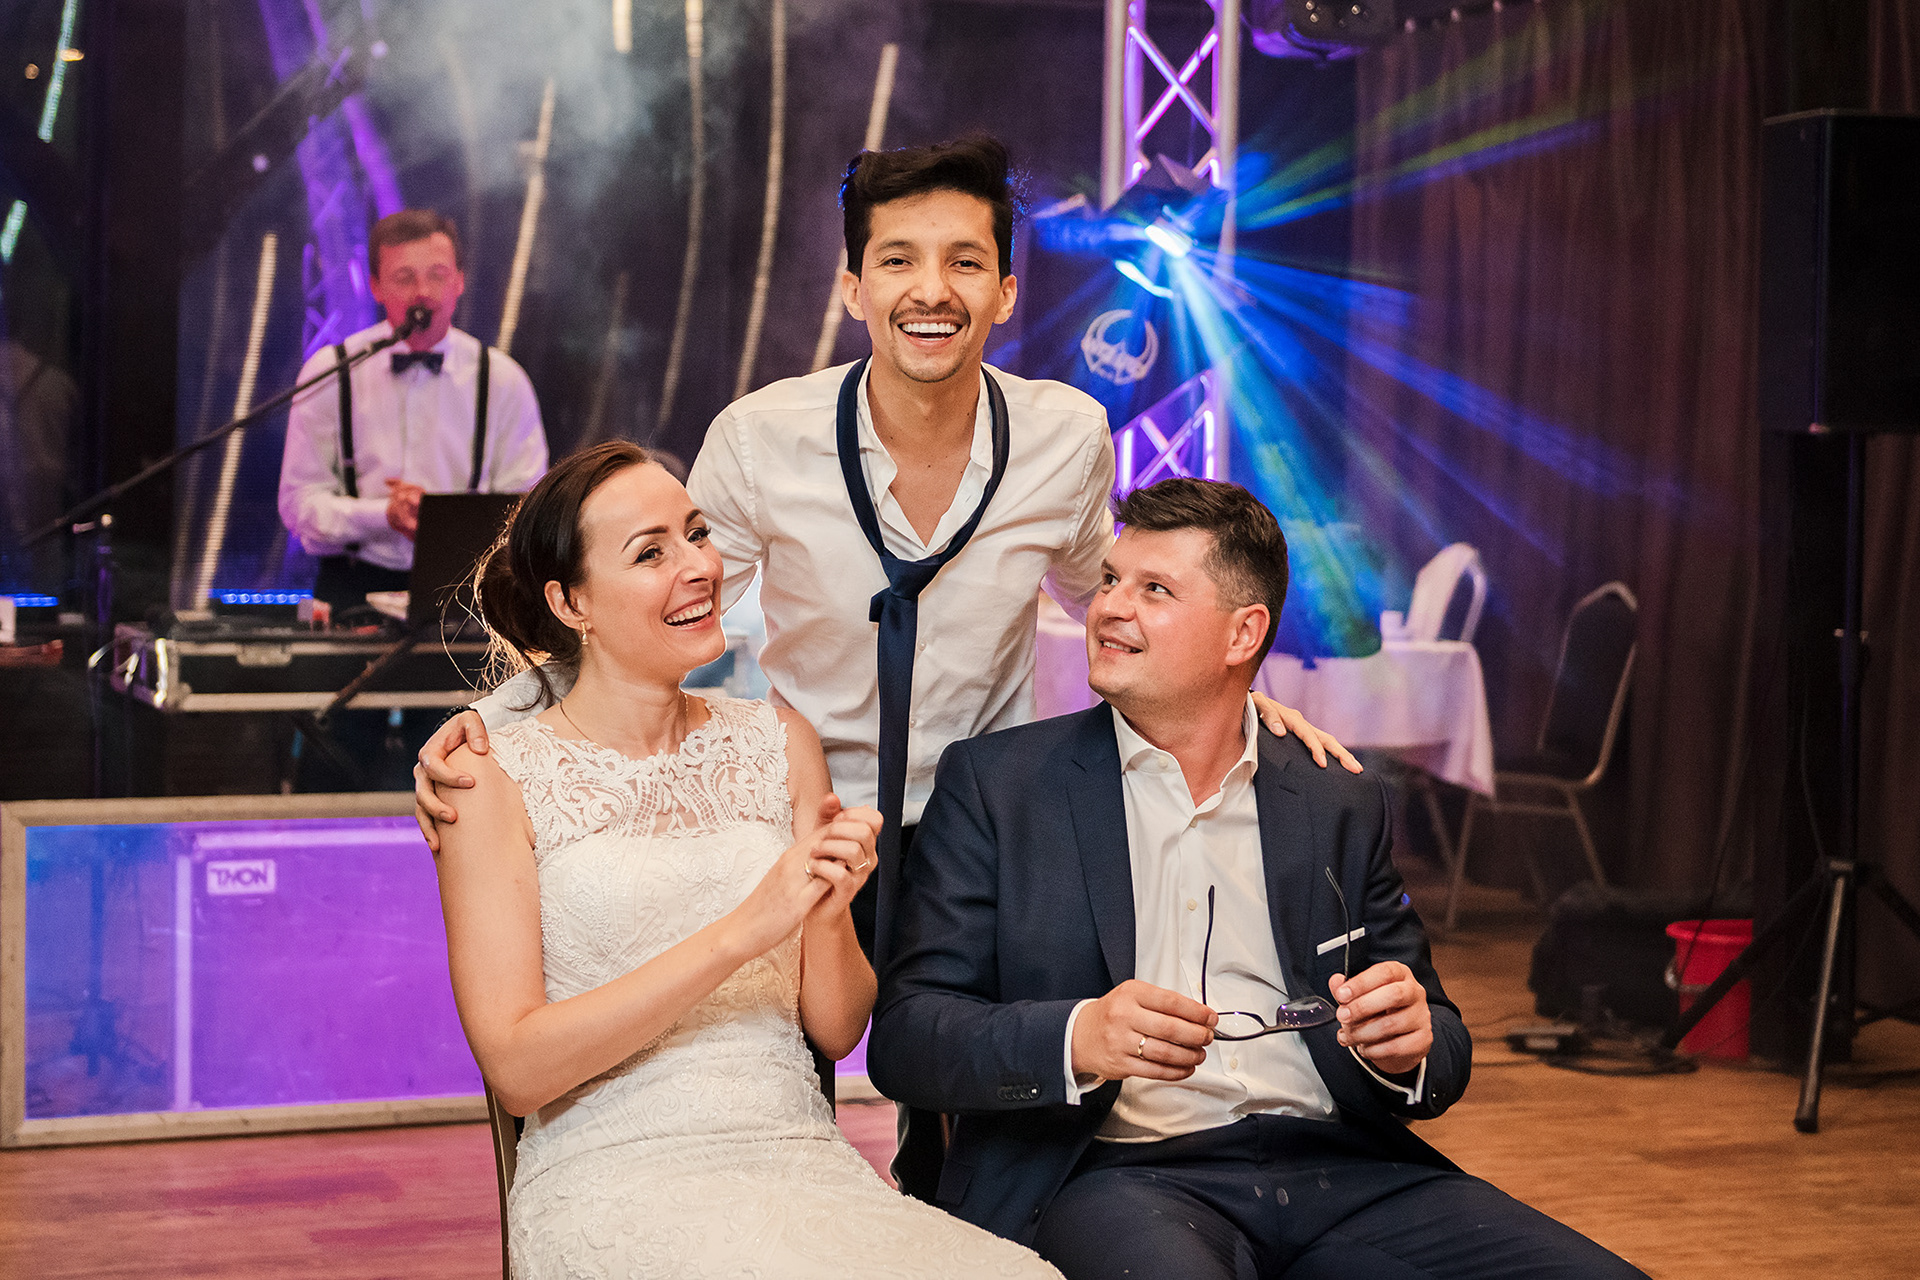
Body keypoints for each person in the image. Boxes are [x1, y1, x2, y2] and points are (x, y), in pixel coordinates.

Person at [414, 135, 1355, 1195]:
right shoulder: (761, 438)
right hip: (810, 819)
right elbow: (651, 606)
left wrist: (1242, 698)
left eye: (965, 261)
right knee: (780, 1094)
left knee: (981, 1128)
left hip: (992, 826)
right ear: (853, 286)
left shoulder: (1066, 434)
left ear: (1006, 292)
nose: (931, 289)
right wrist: (503, 720)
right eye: (898, 259)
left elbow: (1118, 598)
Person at [869, 477, 1649, 1280]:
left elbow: (1439, 1041)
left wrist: (1408, 1045)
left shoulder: (1334, 798)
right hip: (1122, 1174)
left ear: (1243, 633)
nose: (1107, 608)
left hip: (1344, 1168)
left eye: (1154, 589)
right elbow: (906, 1038)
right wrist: (1080, 1036)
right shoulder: (1000, 787)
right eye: (1109, 580)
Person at [432, 440, 1061, 1278]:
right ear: (571, 601)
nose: (699, 567)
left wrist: (827, 906)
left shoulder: (778, 740)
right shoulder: (488, 777)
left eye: (696, 534)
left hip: (800, 1163)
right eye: (651, 553)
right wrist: (744, 931)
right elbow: (517, 1070)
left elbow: (837, 1029)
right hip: (613, 1178)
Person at [278, 208, 548, 613]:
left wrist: (443, 521)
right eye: (404, 277)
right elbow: (298, 505)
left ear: (459, 281)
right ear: (375, 286)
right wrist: (381, 515)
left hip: (469, 592)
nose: (423, 291)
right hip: (350, 588)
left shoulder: (503, 380)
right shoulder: (331, 372)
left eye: (437, 275)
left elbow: (527, 512)